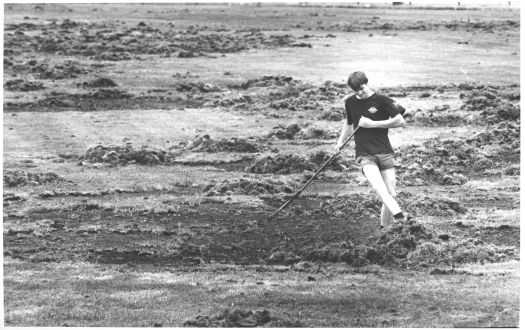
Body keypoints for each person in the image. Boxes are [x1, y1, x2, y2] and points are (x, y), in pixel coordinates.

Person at [336, 71, 408, 228]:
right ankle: (401, 219)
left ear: (366, 82)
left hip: (384, 151)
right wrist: (340, 143)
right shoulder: (350, 102)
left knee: (391, 194)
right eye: (356, 91)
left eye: (361, 88)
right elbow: (348, 124)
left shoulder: (381, 100)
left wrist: (373, 124)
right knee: (379, 189)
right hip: (365, 154)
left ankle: (384, 230)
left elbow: (400, 121)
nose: (360, 93)